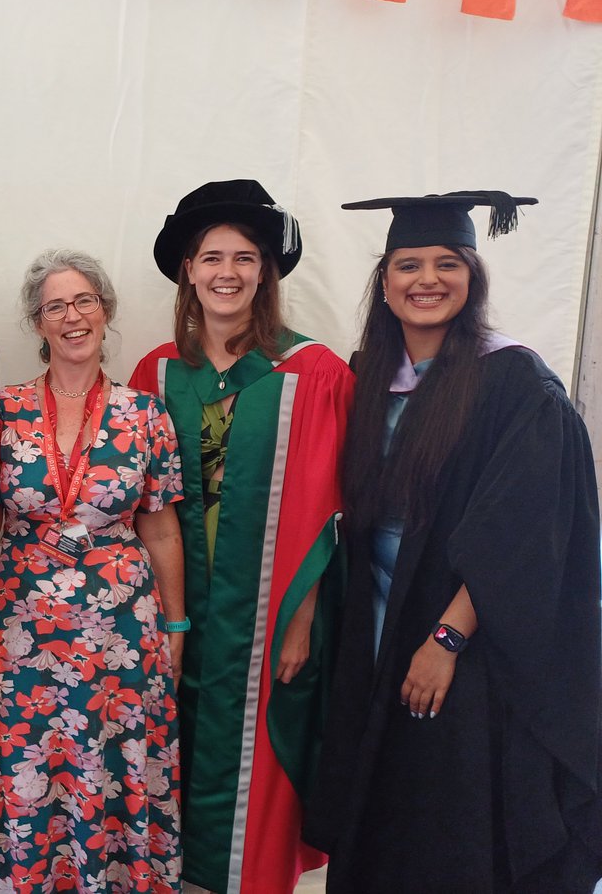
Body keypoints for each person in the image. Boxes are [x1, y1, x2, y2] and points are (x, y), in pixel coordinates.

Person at [304, 192, 602, 893]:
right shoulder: (371, 377)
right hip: (377, 634)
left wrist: (445, 641)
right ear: (385, 283)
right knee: (384, 808)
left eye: (447, 263)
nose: (426, 279)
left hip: (464, 644)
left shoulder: (514, 383)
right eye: (408, 264)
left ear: (473, 277)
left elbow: (524, 533)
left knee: (454, 819)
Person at [128, 180, 353, 893]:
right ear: (188, 271)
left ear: (266, 272)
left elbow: (335, 512)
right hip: (170, 612)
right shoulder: (156, 372)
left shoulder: (314, 373)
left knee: (256, 775)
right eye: (212, 257)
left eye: (245, 258)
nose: (228, 273)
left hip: (267, 621)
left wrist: (303, 622)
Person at [0, 248, 186, 892]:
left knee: (116, 770)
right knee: (24, 774)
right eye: (55, 306)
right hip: (24, 635)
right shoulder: (0, 413)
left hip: (123, 636)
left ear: (106, 311)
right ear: (38, 323)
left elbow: (162, 527)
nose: (71, 316)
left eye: (84, 301)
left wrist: (177, 625)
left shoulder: (144, 414)